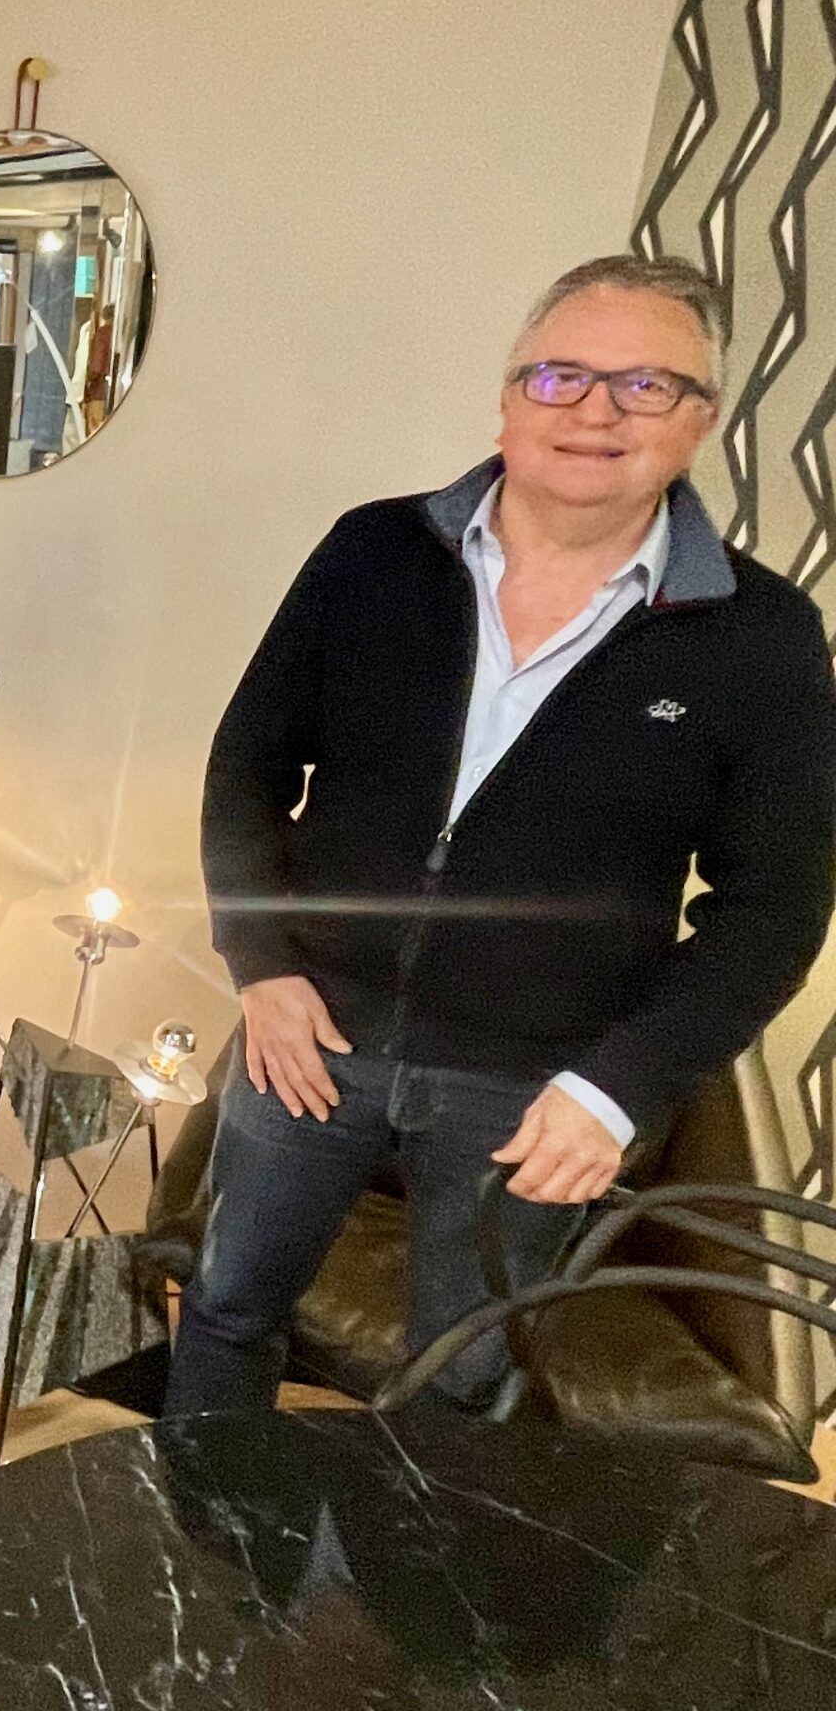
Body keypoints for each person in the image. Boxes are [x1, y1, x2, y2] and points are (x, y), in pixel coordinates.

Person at [173, 254, 836, 1416]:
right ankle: (204, 1530)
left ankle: (402, 1553)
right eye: (559, 375)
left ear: (701, 421)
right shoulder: (371, 554)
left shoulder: (761, 636)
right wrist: (260, 964)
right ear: (508, 397)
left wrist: (617, 1089)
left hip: (537, 1089)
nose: (593, 411)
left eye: (645, 385)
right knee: (227, 1310)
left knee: (461, 1383)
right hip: (309, 1036)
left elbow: (774, 908)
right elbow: (246, 774)